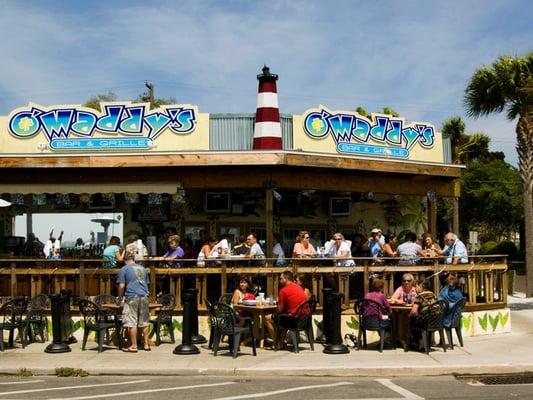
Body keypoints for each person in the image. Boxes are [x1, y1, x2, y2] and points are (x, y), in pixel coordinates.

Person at [116, 243, 151, 352]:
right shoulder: (142, 268)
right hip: (144, 296)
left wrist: (120, 297)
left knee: (131, 322)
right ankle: (146, 344)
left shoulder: (124, 269)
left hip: (132, 296)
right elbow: (147, 283)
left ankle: (134, 345)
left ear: (125, 260)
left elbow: (121, 286)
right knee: (144, 321)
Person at [264, 270, 308, 348]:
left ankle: (276, 342)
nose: (280, 280)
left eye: (281, 278)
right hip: (304, 319)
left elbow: (279, 310)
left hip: (293, 320)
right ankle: (282, 342)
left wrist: (276, 307)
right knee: (284, 316)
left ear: (286, 279)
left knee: (267, 318)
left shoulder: (283, 291)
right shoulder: (299, 287)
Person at [410, 280, 437, 350]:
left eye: (416, 287)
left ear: (421, 287)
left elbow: (414, 311)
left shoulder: (420, 296)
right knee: (419, 320)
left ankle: (420, 342)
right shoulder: (433, 294)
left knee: (411, 322)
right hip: (436, 321)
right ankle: (426, 342)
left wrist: (410, 314)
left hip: (426, 322)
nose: (415, 289)